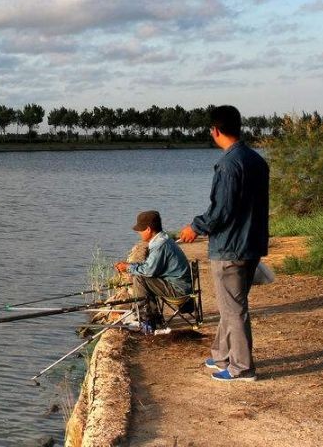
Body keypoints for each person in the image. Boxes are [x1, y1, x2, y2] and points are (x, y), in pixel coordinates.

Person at [178, 105, 269, 383]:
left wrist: (196, 226)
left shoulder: (228, 164)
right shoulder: (256, 159)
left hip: (231, 247)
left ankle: (242, 368)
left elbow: (222, 211)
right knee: (233, 302)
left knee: (233, 307)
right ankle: (221, 354)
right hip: (252, 243)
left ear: (215, 130)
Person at [115, 210, 193, 331]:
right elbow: (151, 266)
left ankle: (146, 320)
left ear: (148, 229)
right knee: (141, 276)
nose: (139, 234)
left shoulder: (159, 245)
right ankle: (153, 317)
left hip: (178, 290)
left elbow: (148, 271)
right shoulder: (163, 239)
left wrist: (127, 268)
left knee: (140, 278)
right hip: (181, 286)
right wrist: (131, 266)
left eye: (140, 231)